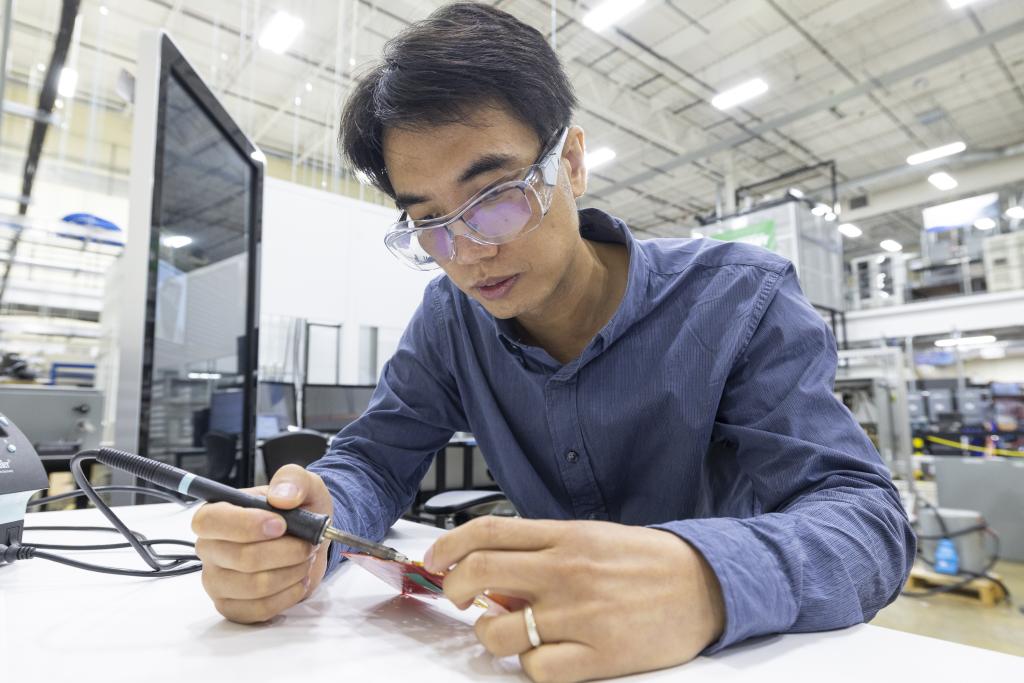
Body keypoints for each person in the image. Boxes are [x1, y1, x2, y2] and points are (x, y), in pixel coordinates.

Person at [191, 4, 915, 682]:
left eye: (497, 197)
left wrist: (705, 577)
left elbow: (866, 520)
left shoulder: (738, 301)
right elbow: (377, 461)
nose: (468, 252)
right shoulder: (450, 318)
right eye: (430, 222)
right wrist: (313, 520)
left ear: (570, 161)